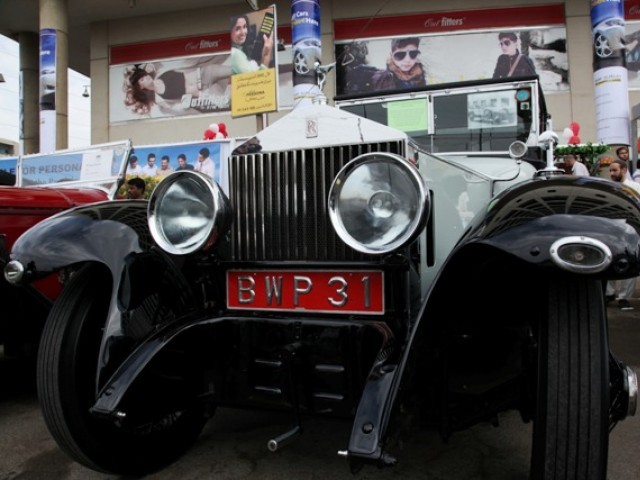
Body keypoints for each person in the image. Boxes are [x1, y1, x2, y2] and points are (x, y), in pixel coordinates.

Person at [122, 60, 230, 115]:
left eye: (143, 75)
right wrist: (192, 100)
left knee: (236, 70)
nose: (146, 78)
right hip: (204, 93)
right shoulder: (160, 100)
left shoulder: (160, 71)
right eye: (142, 80)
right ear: (142, 87)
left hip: (203, 74)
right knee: (229, 103)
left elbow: (185, 63)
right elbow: (179, 108)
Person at [606, 159, 640, 310]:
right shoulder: (608, 187)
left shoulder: (635, 188)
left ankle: (624, 298)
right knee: (610, 259)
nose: (612, 173)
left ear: (624, 170)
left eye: (615, 170)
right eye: (611, 171)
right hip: (612, 228)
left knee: (630, 261)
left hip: (631, 229)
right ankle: (609, 293)